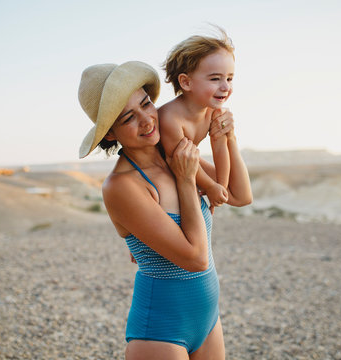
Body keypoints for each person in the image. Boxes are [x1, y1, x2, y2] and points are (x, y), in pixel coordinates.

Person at [78, 61, 252, 359]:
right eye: (129, 118)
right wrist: (185, 181)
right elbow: (196, 258)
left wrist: (227, 136)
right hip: (160, 332)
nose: (147, 121)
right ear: (110, 134)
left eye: (146, 104)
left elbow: (239, 195)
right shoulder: (122, 186)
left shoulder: (173, 154)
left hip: (208, 320)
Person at [159, 28, 236, 213]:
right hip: (165, 169)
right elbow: (177, 159)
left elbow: (220, 148)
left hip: (187, 164)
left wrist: (220, 188)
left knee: (237, 193)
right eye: (215, 78)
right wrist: (209, 187)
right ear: (186, 82)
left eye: (230, 78)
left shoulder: (213, 112)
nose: (225, 86)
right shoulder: (170, 118)